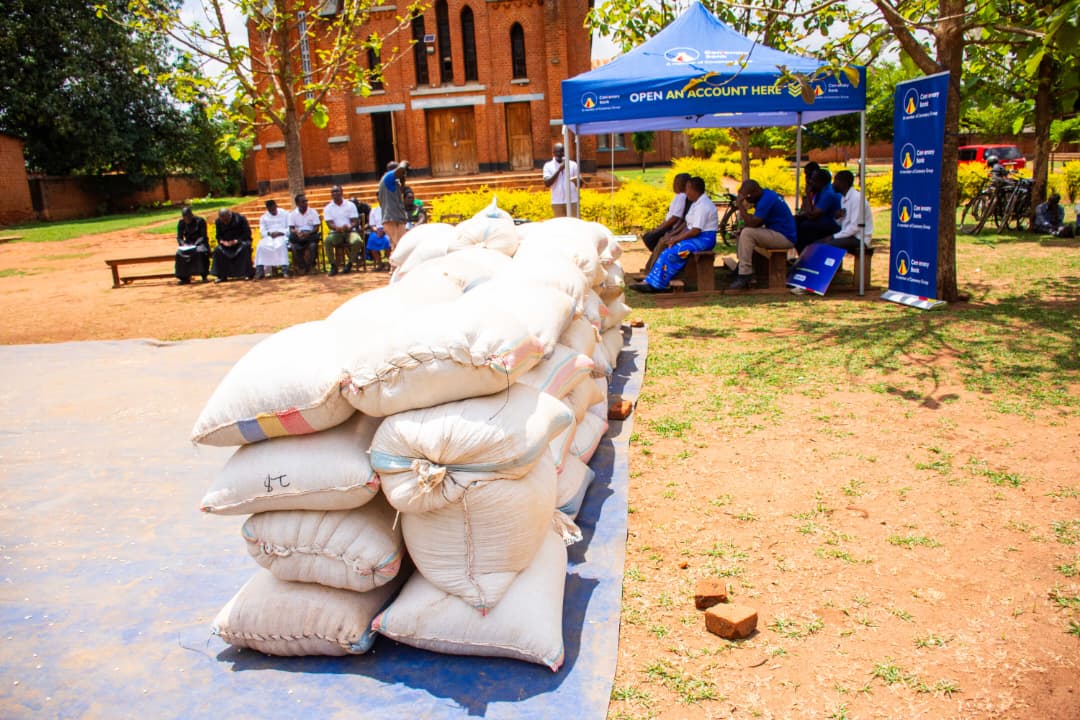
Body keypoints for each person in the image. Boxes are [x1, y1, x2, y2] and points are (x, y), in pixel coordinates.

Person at [629, 176, 718, 294]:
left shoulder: (703, 205)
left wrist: (676, 239)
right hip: (695, 238)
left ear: (693, 189)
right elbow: (688, 225)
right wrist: (674, 238)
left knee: (672, 252)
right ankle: (651, 281)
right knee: (667, 251)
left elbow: (695, 230)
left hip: (704, 239)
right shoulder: (697, 203)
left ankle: (657, 284)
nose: (686, 192)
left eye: (687, 189)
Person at [728, 179, 797, 290]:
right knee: (743, 233)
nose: (747, 200)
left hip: (784, 237)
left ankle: (745, 274)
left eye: (747, 197)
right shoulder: (765, 195)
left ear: (754, 192)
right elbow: (755, 222)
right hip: (777, 233)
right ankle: (742, 268)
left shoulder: (766, 199)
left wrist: (740, 205)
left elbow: (753, 223)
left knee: (747, 233)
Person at [818, 170, 874, 254]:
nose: (833, 184)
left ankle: (833, 267)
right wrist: (838, 218)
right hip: (850, 236)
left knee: (829, 245)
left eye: (836, 181)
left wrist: (833, 237)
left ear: (844, 183)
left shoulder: (857, 198)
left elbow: (855, 227)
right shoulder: (843, 198)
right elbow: (845, 224)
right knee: (820, 240)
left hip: (859, 238)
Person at [642, 172, 690, 258]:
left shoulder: (682, 197)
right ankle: (660, 256)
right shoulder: (678, 196)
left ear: (682, 185)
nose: (673, 185)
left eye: (676, 183)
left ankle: (662, 256)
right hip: (668, 224)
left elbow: (675, 217)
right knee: (648, 237)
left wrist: (661, 228)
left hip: (671, 227)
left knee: (650, 238)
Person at [794, 169, 842, 252]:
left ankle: (806, 256)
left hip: (833, 226)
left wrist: (808, 195)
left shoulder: (828, 193)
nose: (810, 182)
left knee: (802, 229)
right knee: (795, 222)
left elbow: (813, 215)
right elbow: (809, 213)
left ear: (819, 182)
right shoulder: (821, 191)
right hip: (823, 222)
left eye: (812, 180)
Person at [323, 185, 364, 275]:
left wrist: (349, 226)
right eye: (333, 192)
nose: (335, 193)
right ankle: (333, 266)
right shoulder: (328, 208)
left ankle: (349, 264)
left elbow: (355, 221)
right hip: (336, 233)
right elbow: (329, 224)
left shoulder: (350, 205)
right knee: (327, 241)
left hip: (350, 232)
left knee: (357, 241)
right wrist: (336, 228)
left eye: (337, 191)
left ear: (342, 192)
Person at [211, 208, 254, 283]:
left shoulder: (240, 218)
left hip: (240, 242)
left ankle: (247, 273)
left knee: (244, 248)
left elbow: (247, 233)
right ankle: (222, 275)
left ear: (230, 215)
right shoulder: (218, 222)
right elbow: (218, 236)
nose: (225, 222)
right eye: (223, 221)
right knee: (217, 250)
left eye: (226, 220)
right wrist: (223, 242)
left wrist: (237, 241)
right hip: (226, 244)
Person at [377, 161, 409, 253]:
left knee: (396, 247)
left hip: (397, 218)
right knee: (400, 247)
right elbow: (401, 169)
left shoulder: (393, 183)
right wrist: (404, 163)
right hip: (392, 219)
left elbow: (400, 193)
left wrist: (403, 181)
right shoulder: (388, 177)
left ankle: (394, 267)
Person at [543, 143, 582, 217]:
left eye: (562, 151)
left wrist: (578, 181)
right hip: (557, 202)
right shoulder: (548, 166)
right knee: (560, 227)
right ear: (553, 153)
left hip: (572, 201)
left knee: (574, 225)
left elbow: (580, 184)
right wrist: (559, 169)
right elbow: (547, 183)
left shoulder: (573, 165)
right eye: (558, 152)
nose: (560, 154)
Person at [255, 199, 291, 279]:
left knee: (281, 245)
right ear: (267, 209)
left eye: (273, 209)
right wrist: (269, 234)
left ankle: (285, 271)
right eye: (270, 210)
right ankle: (259, 272)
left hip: (282, 235)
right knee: (260, 246)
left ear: (276, 206)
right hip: (269, 237)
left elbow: (289, 228)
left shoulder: (285, 214)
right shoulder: (264, 217)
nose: (272, 211)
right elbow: (262, 231)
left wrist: (280, 233)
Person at [287, 193, 322, 275]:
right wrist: (297, 232)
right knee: (294, 246)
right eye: (303, 202)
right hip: (298, 236)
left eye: (306, 201)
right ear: (297, 204)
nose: (305, 203)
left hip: (310, 235)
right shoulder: (292, 214)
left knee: (313, 245)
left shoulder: (313, 212)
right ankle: (302, 267)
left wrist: (308, 234)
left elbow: (316, 227)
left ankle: (311, 267)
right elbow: (291, 228)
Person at [174, 207, 209, 285]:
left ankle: (204, 275)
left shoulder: (200, 221)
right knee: (179, 253)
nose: (187, 219)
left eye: (188, 217)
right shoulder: (181, 223)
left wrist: (196, 244)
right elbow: (179, 237)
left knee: (200, 252)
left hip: (200, 243)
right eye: (185, 217)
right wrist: (183, 244)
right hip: (188, 244)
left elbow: (203, 236)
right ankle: (184, 277)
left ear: (192, 215)